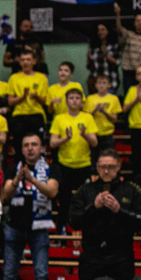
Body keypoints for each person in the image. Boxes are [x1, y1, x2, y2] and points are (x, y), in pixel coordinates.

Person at [71, 150, 141, 280]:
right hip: (92, 255)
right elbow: (73, 221)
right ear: (97, 167)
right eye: (103, 167)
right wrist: (93, 207)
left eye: (111, 167)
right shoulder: (85, 190)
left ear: (118, 166)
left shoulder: (131, 190)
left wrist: (120, 211)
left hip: (121, 256)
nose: (106, 171)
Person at [1, 133, 58, 280]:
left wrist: (32, 179)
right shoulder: (13, 169)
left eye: (34, 144)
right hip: (14, 227)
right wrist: (17, 179)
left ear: (42, 149)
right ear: (22, 150)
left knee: (41, 275)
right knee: (9, 276)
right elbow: (6, 195)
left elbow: (52, 191)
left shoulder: (51, 169)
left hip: (39, 228)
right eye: (26, 145)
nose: (30, 148)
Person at [48, 88, 97, 231]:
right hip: (65, 165)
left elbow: (94, 142)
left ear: (81, 102)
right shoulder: (59, 118)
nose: (74, 101)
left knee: (86, 200)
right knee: (64, 200)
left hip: (84, 164)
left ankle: (87, 230)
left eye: (77, 98)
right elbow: (52, 143)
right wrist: (65, 139)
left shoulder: (87, 118)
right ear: (66, 101)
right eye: (71, 98)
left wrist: (85, 135)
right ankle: (61, 231)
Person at [6, 49, 49, 156]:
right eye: (23, 60)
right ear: (19, 62)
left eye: (28, 59)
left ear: (34, 61)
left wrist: (36, 96)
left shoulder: (41, 78)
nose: (25, 62)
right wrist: (22, 97)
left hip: (36, 115)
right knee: (19, 147)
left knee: (38, 147)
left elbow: (44, 101)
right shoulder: (14, 78)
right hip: (19, 116)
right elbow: (10, 102)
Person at [85, 72, 122, 152]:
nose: (101, 85)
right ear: (95, 85)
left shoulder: (114, 99)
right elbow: (86, 118)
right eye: (99, 83)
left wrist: (104, 112)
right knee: (94, 157)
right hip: (93, 133)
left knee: (108, 156)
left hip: (107, 133)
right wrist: (94, 111)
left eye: (104, 83)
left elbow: (114, 119)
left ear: (109, 85)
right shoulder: (90, 99)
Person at [86, 22, 120, 93]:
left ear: (108, 31)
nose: (100, 32)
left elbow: (117, 62)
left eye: (103, 29)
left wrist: (106, 55)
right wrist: (89, 59)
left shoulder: (114, 46)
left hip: (110, 81)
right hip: (95, 82)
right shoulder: (93, 46)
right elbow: (89, 67)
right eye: (98, 30)